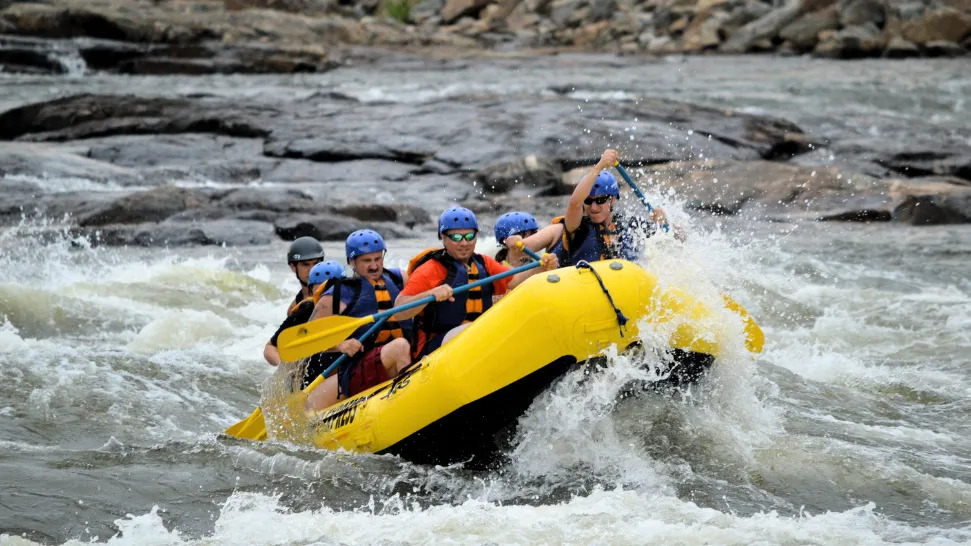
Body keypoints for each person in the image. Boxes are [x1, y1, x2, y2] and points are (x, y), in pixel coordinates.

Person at [394, 207, 558, 361]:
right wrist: (430, 294)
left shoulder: (484, 263)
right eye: (457, 237)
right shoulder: (430, 270)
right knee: (476, 330)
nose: (464, 243)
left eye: (469, 236)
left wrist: (541, 267)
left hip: (478, 341)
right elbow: (399, 311)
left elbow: (515, 281)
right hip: (435, 349)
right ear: (443, 238)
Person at [304, 229, 413, 411]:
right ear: (351, 261)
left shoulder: (398, 278)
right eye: (366, 261)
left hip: (396, 359)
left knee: (405, 346)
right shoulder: (341, 293)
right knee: (400, 346)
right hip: (358, 368)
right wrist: (340, 345)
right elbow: (308, 336)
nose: (374, 266)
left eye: (378, 259)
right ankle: (409, 406)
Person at [509, 149, 668, 267]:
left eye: (600, 200)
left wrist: (663, 223)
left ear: (612, 200)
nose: (593, 207)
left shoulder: (630, 225)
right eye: (588, 201)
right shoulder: (577, 227)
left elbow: (678, 240)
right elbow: (574, 203)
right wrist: (599, 166)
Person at [263, 260, 345, 385]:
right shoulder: (305, 311)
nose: (325, 300)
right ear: (312, 293)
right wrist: (287, 368)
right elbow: (271, 347)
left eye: (330, 292)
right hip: (313, 377)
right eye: (319, 294)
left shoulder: (358, 303)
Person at [284, 236, 326, 315]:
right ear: (293, 267)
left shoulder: (338, 292)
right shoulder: (293, 310)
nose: (312, 269)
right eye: (305, 264)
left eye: (316, 263)